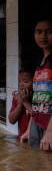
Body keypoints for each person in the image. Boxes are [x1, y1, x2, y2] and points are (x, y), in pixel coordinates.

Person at [30, 18, 52, 150]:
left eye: (48, 32)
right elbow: (37, 98)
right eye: (39, 32)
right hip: (37, 121)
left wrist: (50, 131)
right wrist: (29, 128)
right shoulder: (40, 62)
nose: (43, 36)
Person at [8, 69, 33, 142]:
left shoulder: (38, 98)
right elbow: (11, 120)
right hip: (22, 139)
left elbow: (37, 117)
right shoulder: (17, 97)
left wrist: (25, 102)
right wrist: (20, 104)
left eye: (25, 81)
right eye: (19, 81)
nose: (21, 84)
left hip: (36, 141)